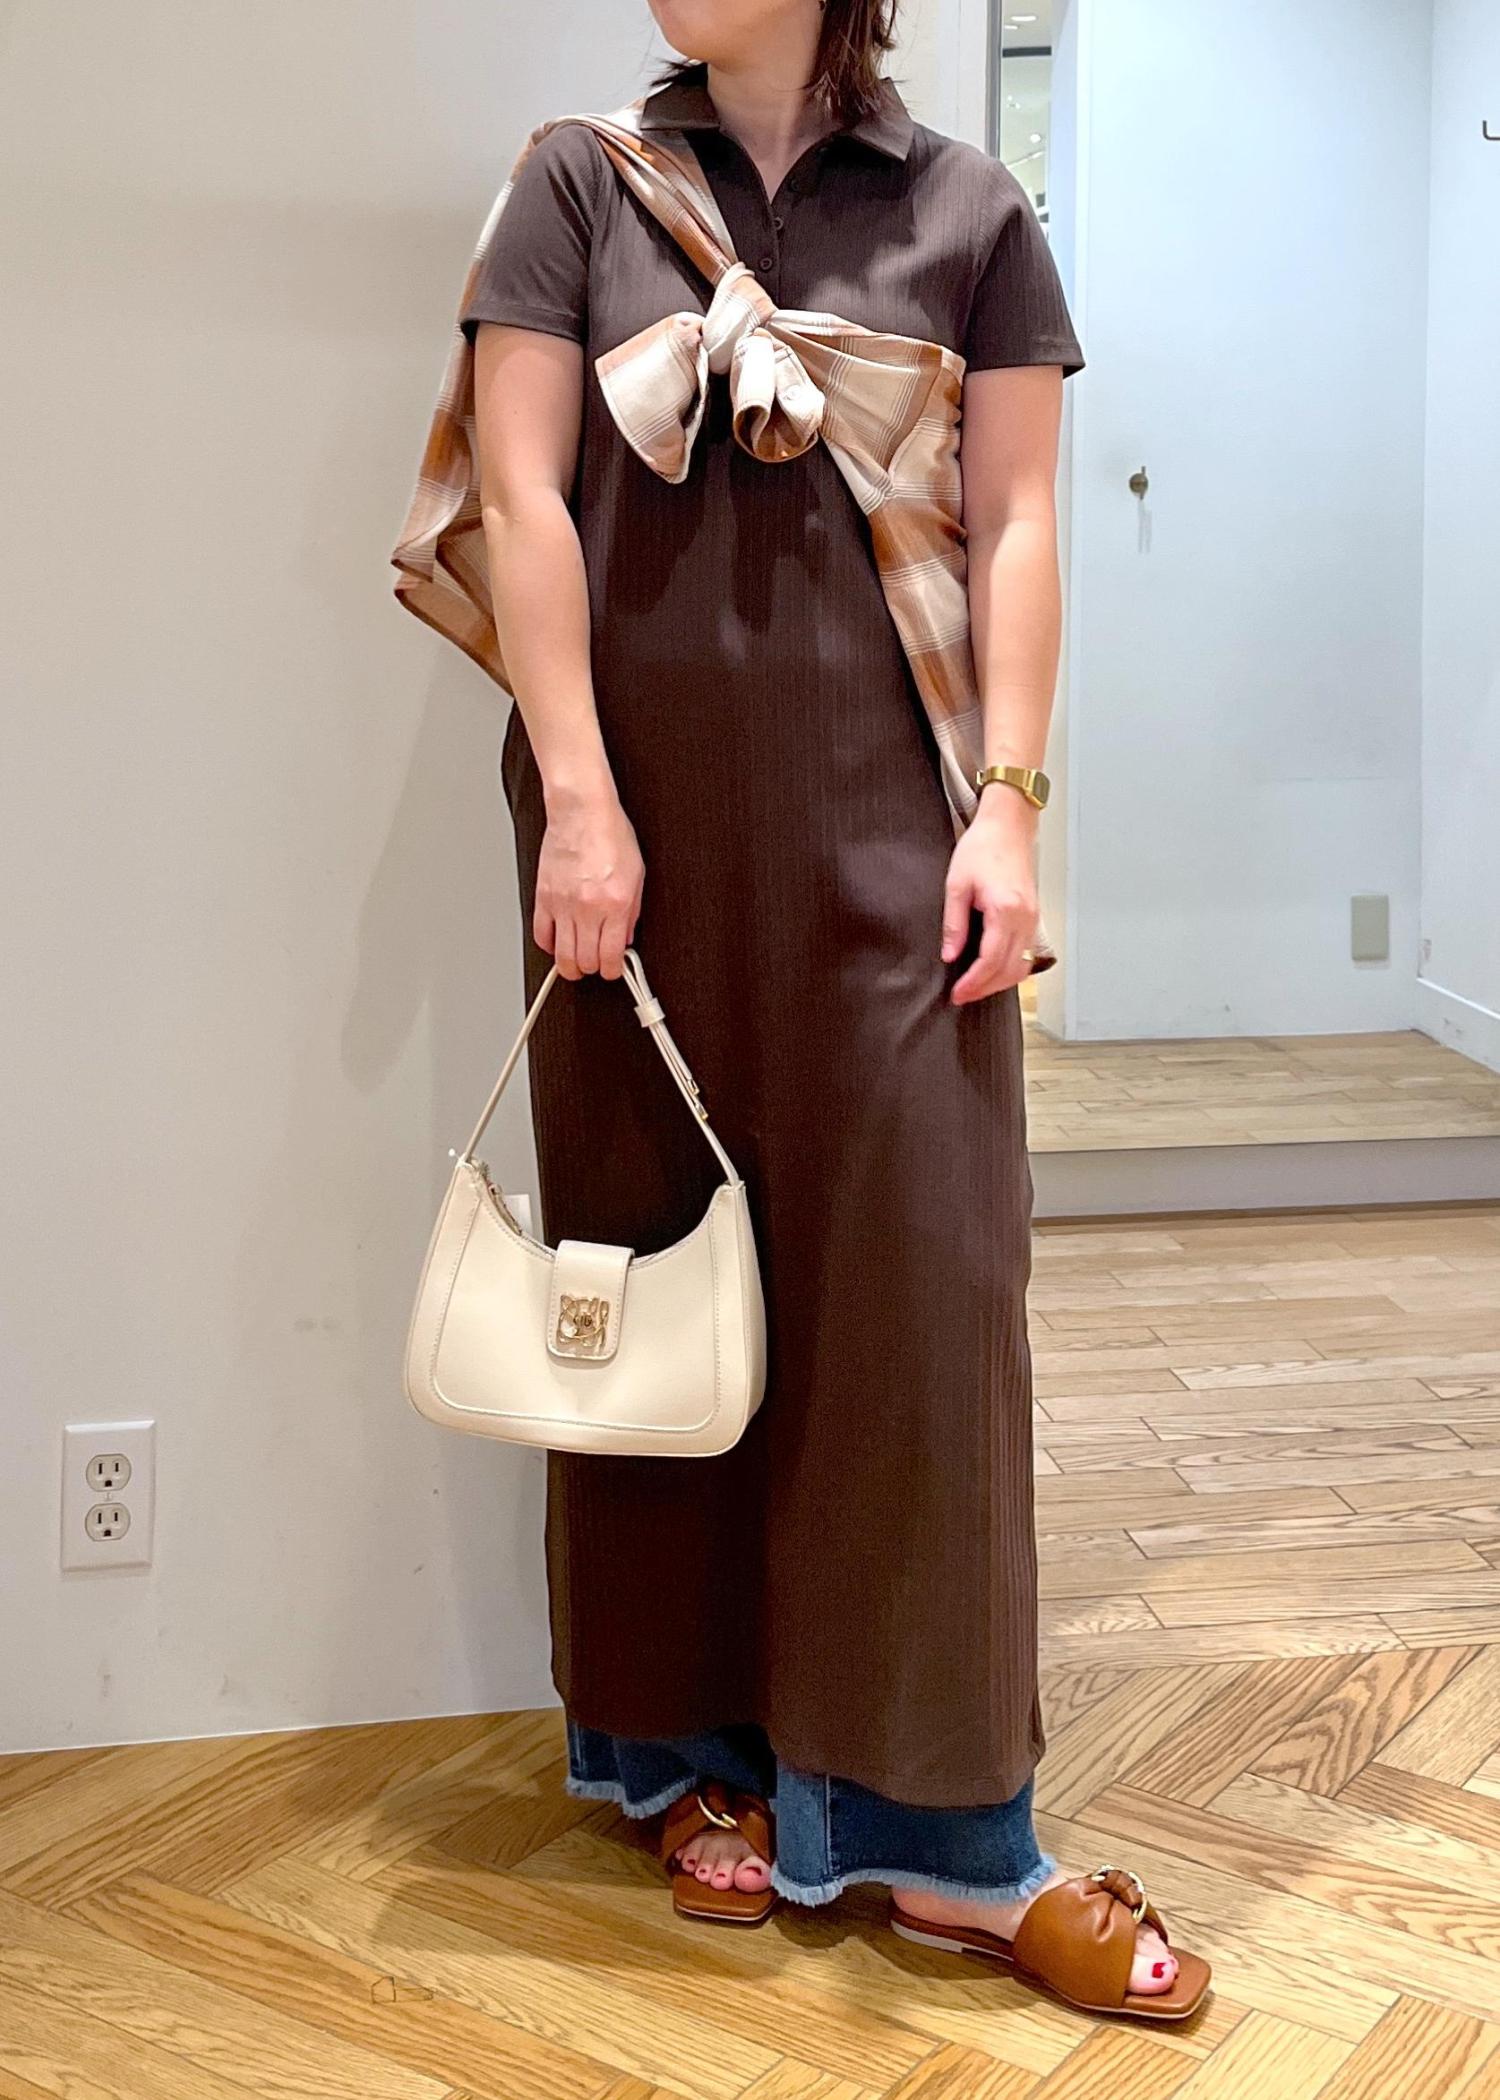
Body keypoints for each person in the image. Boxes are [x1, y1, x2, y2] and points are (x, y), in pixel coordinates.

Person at [449, 0, 1210, 2022]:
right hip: (633, 846)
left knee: (922, 1316)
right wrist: (581, 801)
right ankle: (683, 1756)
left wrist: (1014, 809)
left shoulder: (972, 214)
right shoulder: (574, 189)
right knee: (654, 1279)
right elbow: (523, 498)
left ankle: (950, 1837)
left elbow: (1018, 518)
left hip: (901, 836)